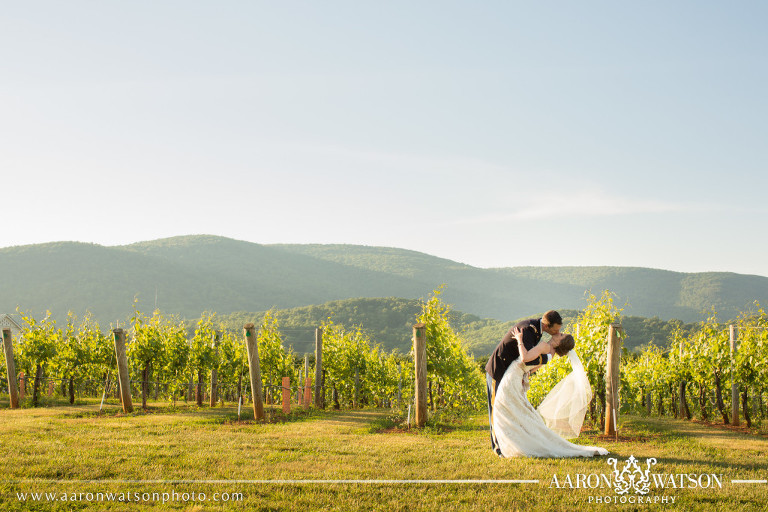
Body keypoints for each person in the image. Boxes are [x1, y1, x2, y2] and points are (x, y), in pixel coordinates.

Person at [491, 332, 608, 457]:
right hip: (516, 377)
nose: (558, 333)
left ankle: (516, 444)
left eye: (561, 335)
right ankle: (518, 442)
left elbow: (525, 360)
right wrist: (524, 375)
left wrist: (520, 340)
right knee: (513, 410)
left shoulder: (544, 347)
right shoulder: (550, 355)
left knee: (503, 408)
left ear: (559, 342)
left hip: (513, 376)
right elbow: (531, 369)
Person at [485, 310, 563, 456]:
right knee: (495, 408)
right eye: (556, 329)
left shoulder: (537, 331)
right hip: (498, 370)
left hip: (509, 372)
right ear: (547, 325)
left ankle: (508, 441)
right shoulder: (528, 329)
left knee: (506, 409)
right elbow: (525, 357)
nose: (558, 331)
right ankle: (497, 447)